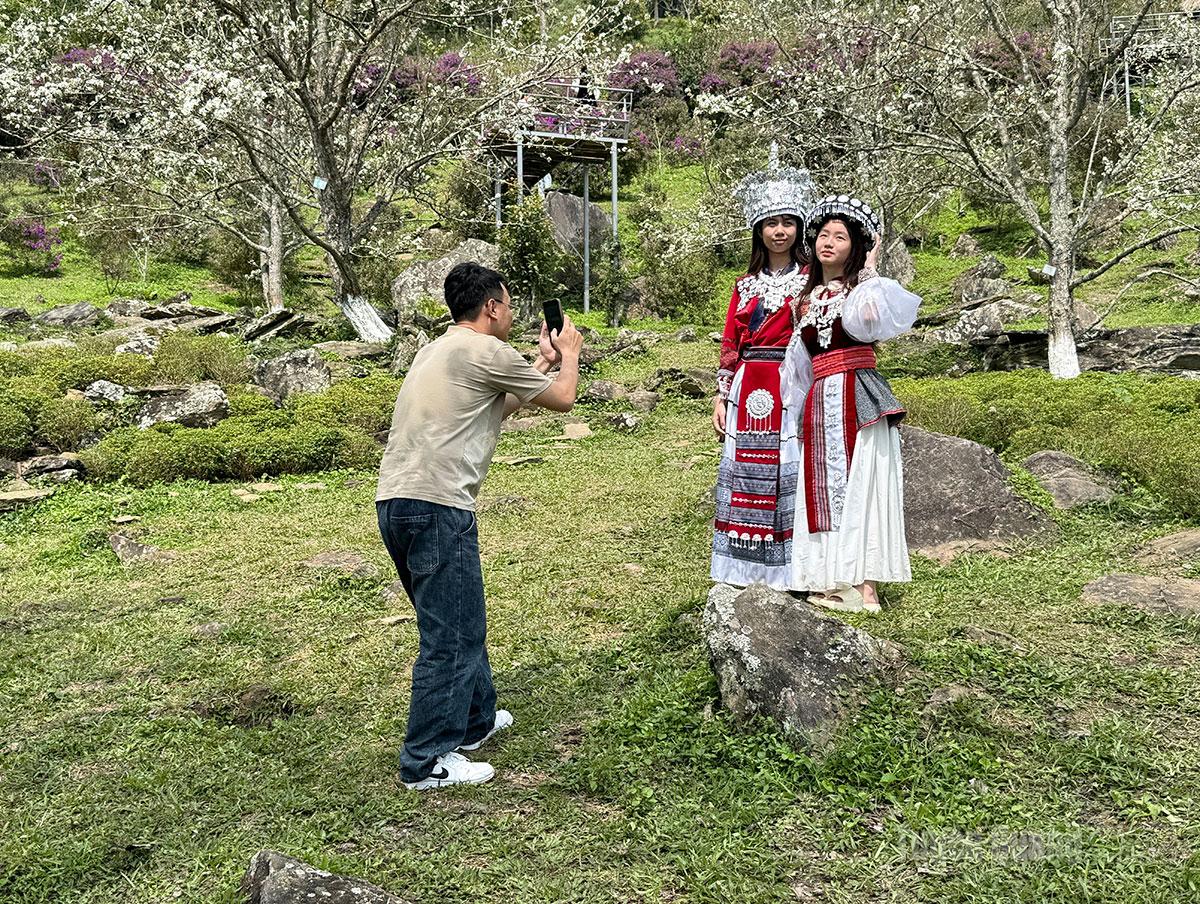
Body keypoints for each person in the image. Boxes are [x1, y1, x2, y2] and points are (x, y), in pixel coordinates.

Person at [376, 261, 583, 790]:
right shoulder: (487, 350)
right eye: (509, 305)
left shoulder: (440, 348)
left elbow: (498, 404)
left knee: (459, 617)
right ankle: (427, 761)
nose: (511, 314)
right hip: (439, 506)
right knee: (451, 637)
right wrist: (571, 356)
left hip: (397, 502)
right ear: (491, 307)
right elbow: (561, 399)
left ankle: (475, 721)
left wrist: (539, 360)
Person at [781, 195, 921, 614]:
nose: (828, 242)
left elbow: (872, 323)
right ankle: (826, 577)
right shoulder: (803, 301)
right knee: (821, 488)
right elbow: (798, 364)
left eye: (840, 237)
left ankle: (865, 584)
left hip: (857, 392)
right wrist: (796, 408)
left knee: (863, 485)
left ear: (854, 246)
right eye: (823, 234)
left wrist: (870, 271)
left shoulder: (863, 291)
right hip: (820, 398)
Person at [710, 154, 819, 590]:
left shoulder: (812, 279)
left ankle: (792, 566)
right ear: (759, 230)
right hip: (748, 384)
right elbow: (730, 342)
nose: (779, 232)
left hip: (791, 383)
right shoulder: (744, 284)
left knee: (787, 468)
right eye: (770, 223)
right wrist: (721, 395)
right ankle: (743, 567)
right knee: (744, 470)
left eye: (787, 222)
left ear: (799, 228)